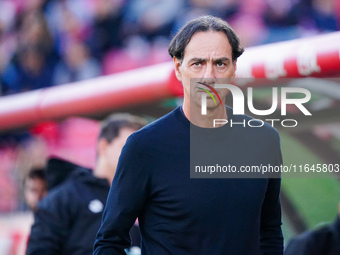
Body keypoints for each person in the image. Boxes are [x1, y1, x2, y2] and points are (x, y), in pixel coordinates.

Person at [94, 15, 283, 255]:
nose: (209, 76)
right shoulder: (144, 147)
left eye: (220, 64)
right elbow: (109, 242)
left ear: (234, 69)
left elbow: (269, 232)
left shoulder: (263, 140)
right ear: (178, 68)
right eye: (198, 63)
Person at [26, 113, 147, 255]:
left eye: (143, 150)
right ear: (103, 147)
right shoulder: (64, 198)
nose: (138, 155)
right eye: (129, 146)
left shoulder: (145, 198)